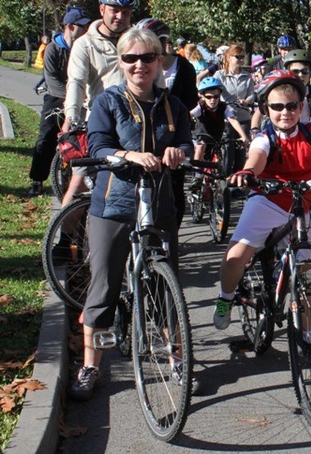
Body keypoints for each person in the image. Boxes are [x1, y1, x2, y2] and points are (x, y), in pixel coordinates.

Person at [69, 27, 193, 400]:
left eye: (148, 58)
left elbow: (186, 139)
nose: (140, 65)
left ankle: (176, 359)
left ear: (159, 61)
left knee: (165, 282)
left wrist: (179, 152)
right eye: (131, 58)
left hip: (160, 203)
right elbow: (99, 143)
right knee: (104, 284)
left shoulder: (174, 105)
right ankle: (91, 364)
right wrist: (128, 156)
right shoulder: (108, 102)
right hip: (114, 204)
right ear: (121, 62)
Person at [214, 71, 311, 341]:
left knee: (306, 272)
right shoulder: (265, 137)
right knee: (235, 256)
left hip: (300, 205)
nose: (285, 112)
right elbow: (257, 157)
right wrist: (248, 172)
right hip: (267, 200)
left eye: (292, 106)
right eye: (277, 107)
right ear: (266, 109)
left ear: (302, 106)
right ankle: (225, 298)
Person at [61, 0, 135, 208]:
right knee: (79, 182)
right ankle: (64, 241)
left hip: (133, 121)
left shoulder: (135, 40)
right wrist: (71, 117)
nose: (120, 16)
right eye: (114, 10)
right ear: (102, 9)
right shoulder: (85, 44)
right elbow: (76, 82)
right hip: (99, 120)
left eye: (126, 11)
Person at [137, 17, 199, 227]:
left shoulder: (184, 67)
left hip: (173, 130)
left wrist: (173, 111)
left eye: (159, 41)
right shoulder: (139, 66)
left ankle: (171, 232)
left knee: (174, 185)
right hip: (144, 130)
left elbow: (191, 99)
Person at [27, 8, 91, 197]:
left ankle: (79, 180)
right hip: (57, 97)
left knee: (83, 139)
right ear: (70, 27)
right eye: (82, 26)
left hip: (82, 98)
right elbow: (52, 81)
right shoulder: (53, 49)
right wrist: (72, 96)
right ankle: (37, 180)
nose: (86, 30)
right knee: (46, 137)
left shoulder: (85, 47)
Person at [250, 49, 311, 131]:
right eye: (295, 71)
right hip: (278, 134)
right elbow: (260, 112)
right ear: (287, 71)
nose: (300, 75)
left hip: (301, 135)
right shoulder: (278, 89)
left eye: (304, 71)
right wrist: (254, 130)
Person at [189, 76, 249, 187]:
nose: (213, 100)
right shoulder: (200, 107)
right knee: (201, 147)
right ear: (202, 97)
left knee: (223, 151)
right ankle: (197, 176)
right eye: (209, 97)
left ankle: (219, 177)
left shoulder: (223, 107)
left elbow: (233, 120)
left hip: (217, 137)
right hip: (202, 136)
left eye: (216, 97)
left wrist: (243, 135)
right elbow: (190, 115)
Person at [213, 44, 255, 133]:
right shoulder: (219, 75)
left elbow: (252, 94)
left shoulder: (247, 76)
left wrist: (246, 101)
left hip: (243, 117)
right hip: (226, 118)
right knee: (228, 145)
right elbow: (213, 91)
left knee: (245, 143)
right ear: (229, 58)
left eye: (242, 57)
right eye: (238, 57)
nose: (241, 59)